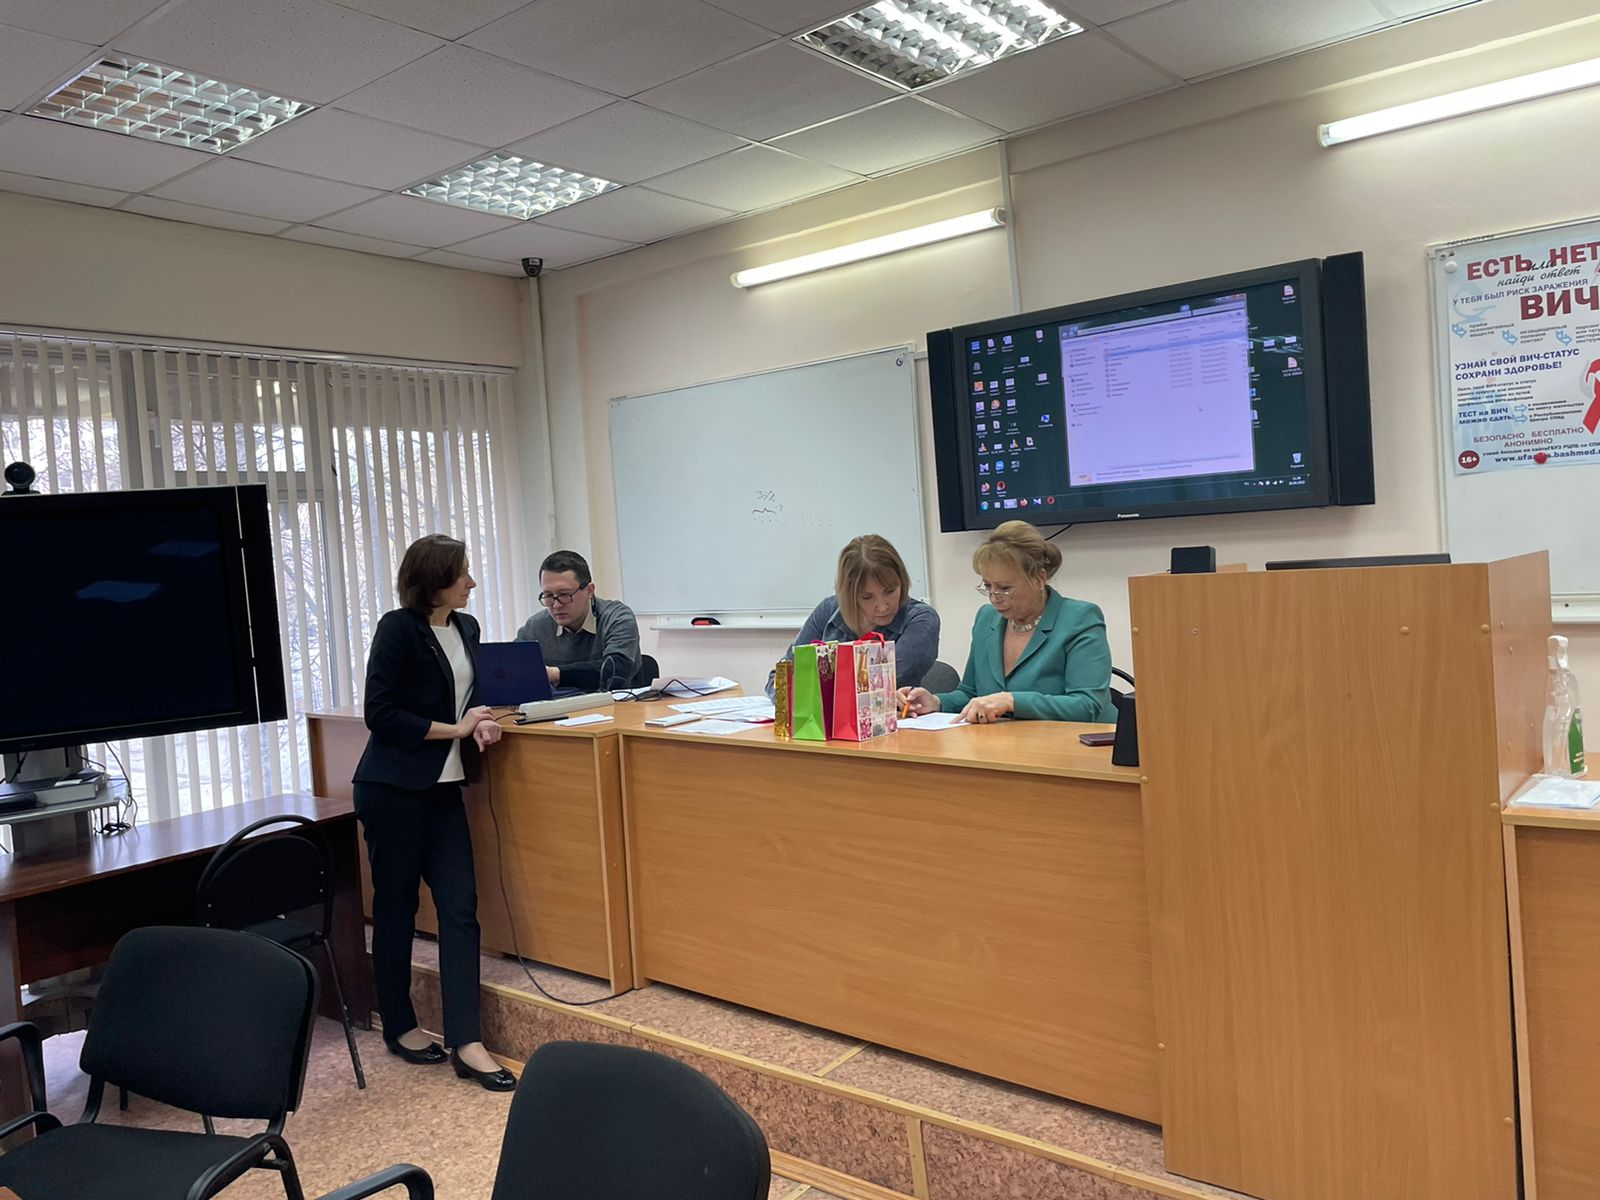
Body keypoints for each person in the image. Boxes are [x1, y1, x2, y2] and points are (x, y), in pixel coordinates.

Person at [351, 534, 516, 1092]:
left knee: (460, 908)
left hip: (444, 790)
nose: (472, 582)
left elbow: (464, 699)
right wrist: (456, 730)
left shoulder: (466, 628)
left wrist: (481, 722)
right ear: (433, 581)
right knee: (397, 906)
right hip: (392, 788)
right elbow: (380, 713)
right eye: (462, 573)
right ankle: (399, 1025)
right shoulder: (398, 629)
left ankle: (467, 1042)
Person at [898, 520, 1115, 724]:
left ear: (1039, 579)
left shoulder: (1079, 618)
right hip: (1006, 744)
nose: (994, 598)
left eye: (1005, 588)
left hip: (1080, 744)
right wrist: (936, 702)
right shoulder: (987, 618)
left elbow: (1087, 705)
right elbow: (970, 693)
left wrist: (1012, 701)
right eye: (988, 586)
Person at [766, 534, 940, 698]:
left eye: (890, 591)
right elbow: (779, 680)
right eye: (867, 597)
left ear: (902, 582)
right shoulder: (829, 610)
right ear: (849, 595)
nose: (882, 606)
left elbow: (880, 690)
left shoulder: (920, 619)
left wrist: (811, 693)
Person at [515, 549, 643, 691]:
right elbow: (511, 664)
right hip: (558, 703)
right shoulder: (536, 626)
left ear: (589, 591)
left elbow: (616, 669)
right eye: (548, 595)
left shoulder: (616, 617)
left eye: (564, 594)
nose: (556, 605)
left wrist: (556, 674)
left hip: (614, 702)